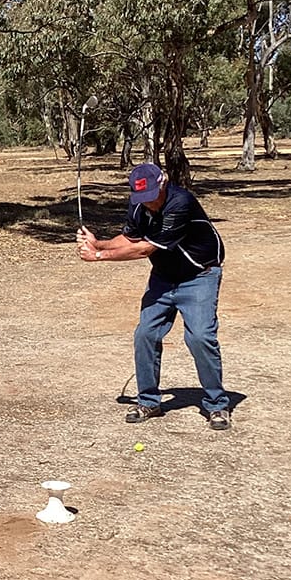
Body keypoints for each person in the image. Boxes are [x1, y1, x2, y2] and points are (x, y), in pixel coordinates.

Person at [76, 162, 231, 431]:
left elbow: (145, 249)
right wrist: (97, 242)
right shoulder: (139, 205)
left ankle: (217, 404)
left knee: (199, 337)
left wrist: (98, 255)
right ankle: (148, 401)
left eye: (151, 196)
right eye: (141, 198)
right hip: (163, 278)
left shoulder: (180, 202)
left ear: (163, 184)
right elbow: (130, 239)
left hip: (199, 276)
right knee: (145, 334)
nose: (148, 203)